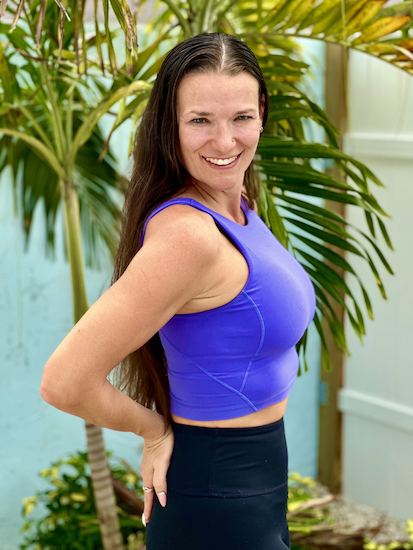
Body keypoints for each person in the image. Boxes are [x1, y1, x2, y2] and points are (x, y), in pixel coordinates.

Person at [40, 32, 316, 549]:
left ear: (261, 113)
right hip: (215, 496)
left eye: (240, 117)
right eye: (200, 121)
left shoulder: (237, 204)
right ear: (170, 124)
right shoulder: (188, 237)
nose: (224, 142)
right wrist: (154, 430)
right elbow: (64, 381)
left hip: (256, 483)